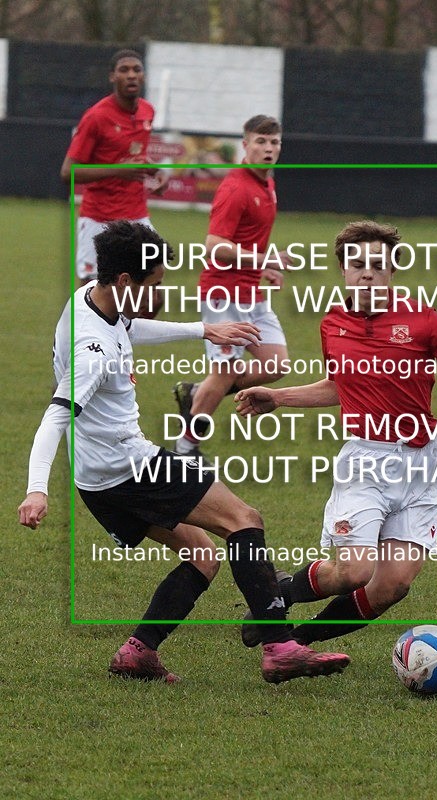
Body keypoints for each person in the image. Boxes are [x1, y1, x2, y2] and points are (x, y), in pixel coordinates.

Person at [17, 220, 349, 684]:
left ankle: (138, 652)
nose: (162, 292)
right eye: (155, 285)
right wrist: (37, 491)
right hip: (130, 467)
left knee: (202, 555)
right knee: (244, 518)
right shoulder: (90, 351)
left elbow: (131, 328)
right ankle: (280, 647)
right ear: (127, 281)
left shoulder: (94, 296)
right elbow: (55, 416)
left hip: (96, 479)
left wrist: (205, 330)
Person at [235, 220, 437, 647]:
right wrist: (279, 397)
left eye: (378, 263)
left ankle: (294, 640)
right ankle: (279, 597)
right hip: (366, 462)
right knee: (354, 571)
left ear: (393, 270)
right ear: (343, 269)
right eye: (357, 263)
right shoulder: (332, 324)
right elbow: (341, 386)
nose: (367, 272)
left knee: (391, 586)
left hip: (421, 465)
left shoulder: (426, 322)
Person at [173, 114, 292, 459]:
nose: (268, 149)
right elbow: (214, 244)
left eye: (274, 143)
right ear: (245, 145)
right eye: (261, 142)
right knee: (224, 372)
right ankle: (185, 449)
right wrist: (264, 260)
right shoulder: (235, 187)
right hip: (223, 294)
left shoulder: (266, 183)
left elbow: (248, 241)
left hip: (250, 293)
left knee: (276, 364)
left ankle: (196, 393)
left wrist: (264, 268)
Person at [60, 49, 168, 286]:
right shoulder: (96, 117)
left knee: (154, 291)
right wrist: (117, 170)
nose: (131, 75)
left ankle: (129, 325)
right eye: (124, 70)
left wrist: (158, 173)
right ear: (112, 77)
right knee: (91, 290)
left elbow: (136, 156)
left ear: (144, 77)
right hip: (99, 217)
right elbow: (68, 173)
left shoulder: (147, 111)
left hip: (136, 215)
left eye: (136, 70)